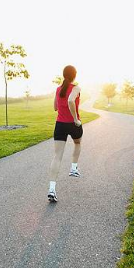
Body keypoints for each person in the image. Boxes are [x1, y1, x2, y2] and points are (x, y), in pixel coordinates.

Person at [48, 65, 82, 202]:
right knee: (78, 143)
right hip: (73, 124)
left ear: (63, 75)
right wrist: (75, 119)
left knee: (57, 156)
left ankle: (51, 189)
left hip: (60, 125)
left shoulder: (58, 89)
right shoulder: (76, 88)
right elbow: (70, 100)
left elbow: (55, 107)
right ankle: (73, 168)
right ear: (74, 75)